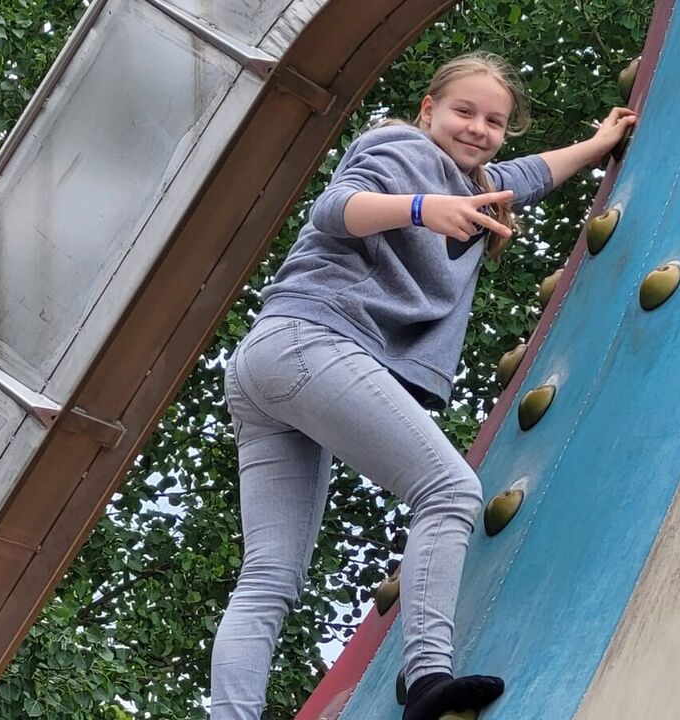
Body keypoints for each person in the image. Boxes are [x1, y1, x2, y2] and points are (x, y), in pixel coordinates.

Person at [211, 51, 637, 720]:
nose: (478, 129)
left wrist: (598, 144)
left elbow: (528, 176)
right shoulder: (402, 148)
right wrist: (418, 209)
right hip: (311, 342)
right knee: (449, 490)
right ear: (428, 109)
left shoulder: (472, 185)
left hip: (270, 362)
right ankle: (429, 677)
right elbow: (335, 208)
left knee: (269, 575)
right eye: (464, 111)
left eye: (494, 121)